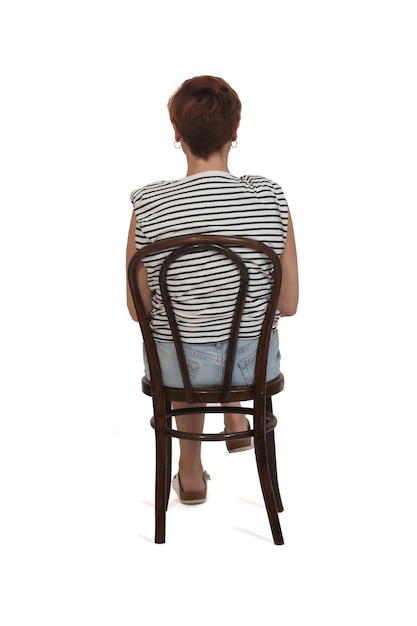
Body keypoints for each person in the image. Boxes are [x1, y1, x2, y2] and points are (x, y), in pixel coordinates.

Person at [126, 75, 298, 505]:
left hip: (179, 371)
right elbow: (290, 303)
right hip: (250, 368)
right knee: (230, 339)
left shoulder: (148, 204)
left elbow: (137, 309)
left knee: (182, 346)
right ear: (235, 132)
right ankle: (237, 421)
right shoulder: (271, 197)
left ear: (177, 134)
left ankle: (190, 474)